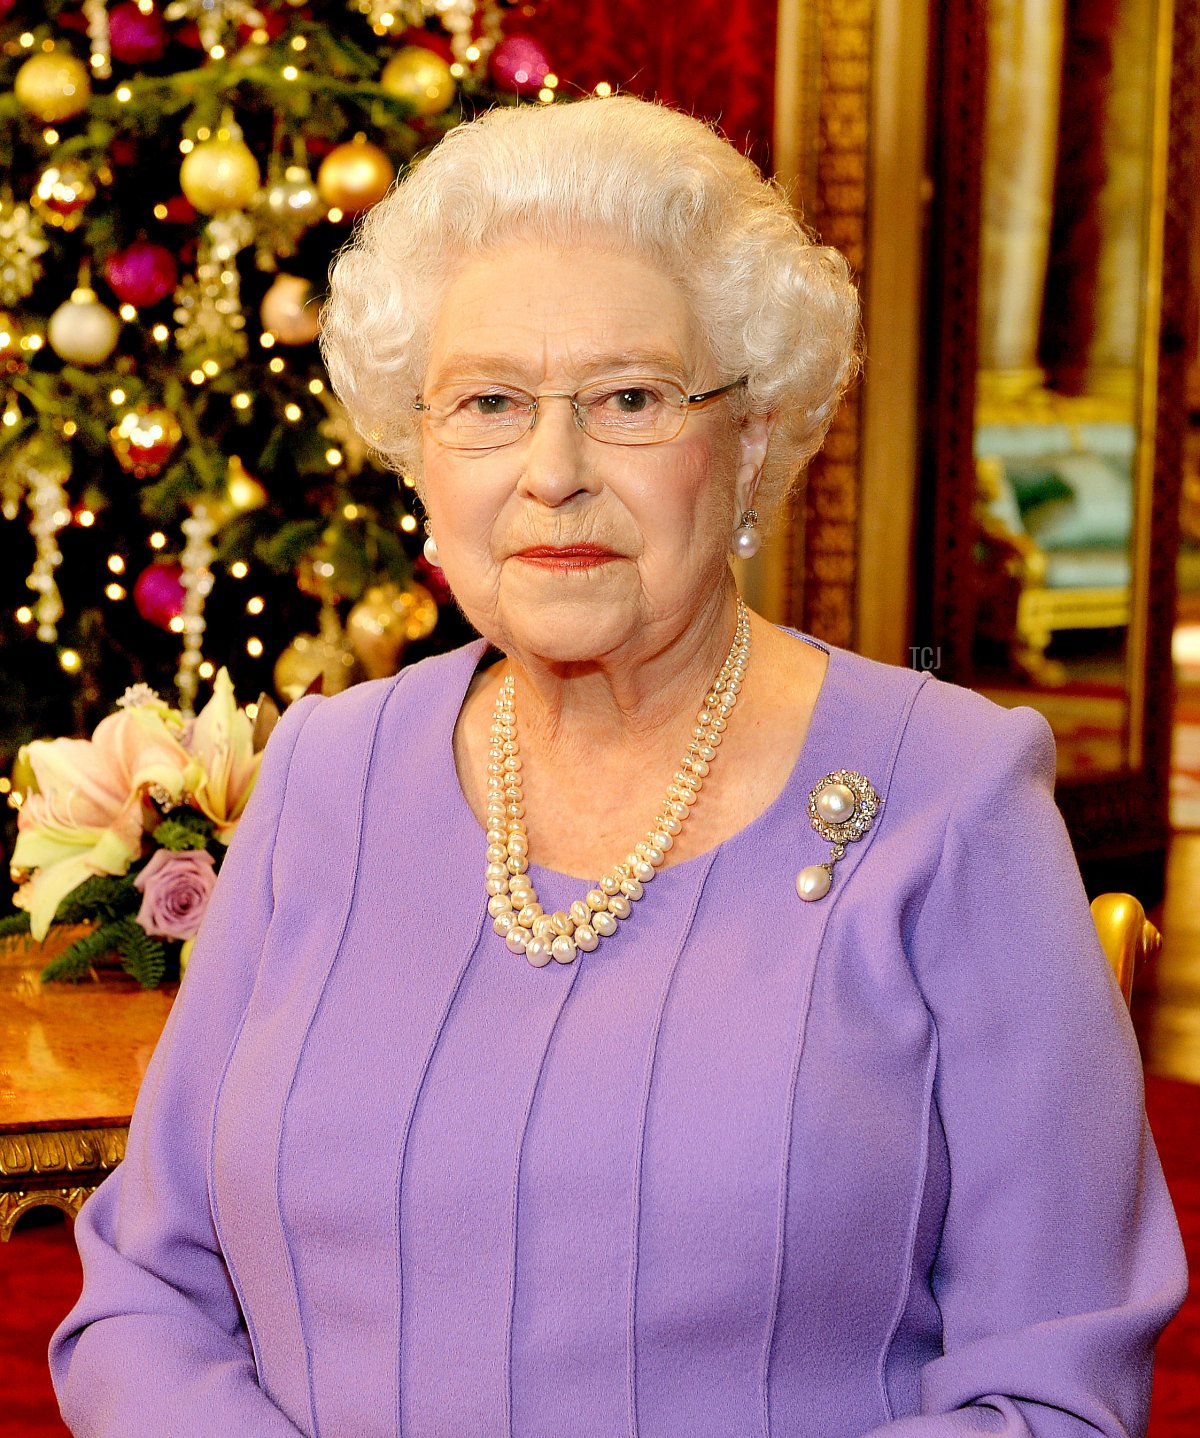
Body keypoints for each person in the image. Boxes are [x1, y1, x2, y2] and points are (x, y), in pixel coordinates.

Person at [50, 95, 1184, 1438]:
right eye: (487, 403)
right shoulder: (323, 773)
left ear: (752, 436)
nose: (553, 471)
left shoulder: (952, 795)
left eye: (631, 398)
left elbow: (1050, 1395)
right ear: (419, 449)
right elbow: (143, 1290)